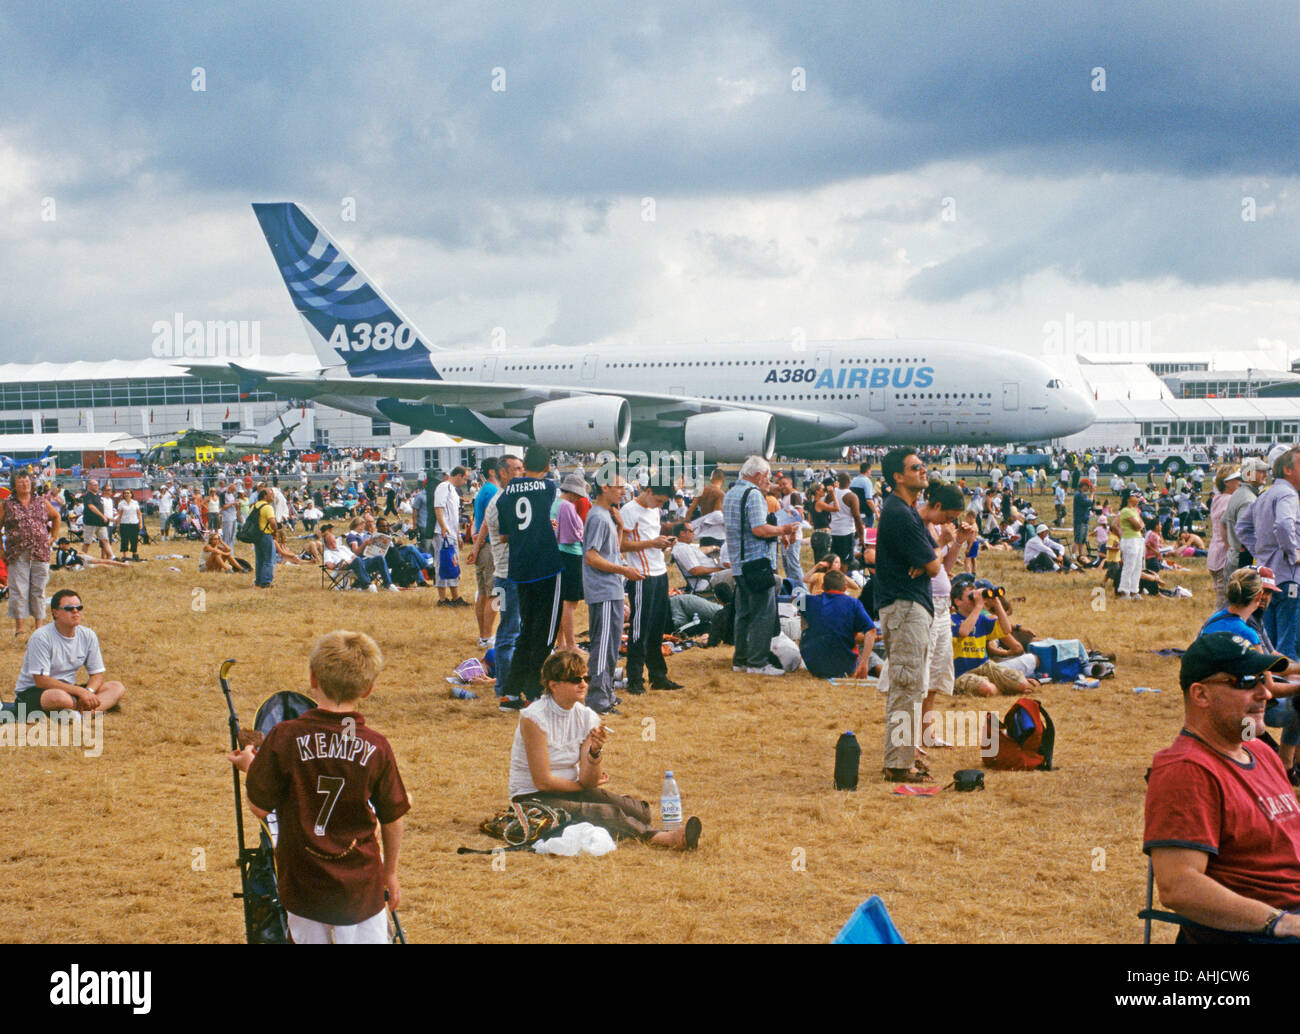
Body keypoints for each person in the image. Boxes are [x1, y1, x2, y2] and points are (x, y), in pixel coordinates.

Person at [228, 630, 410, 944]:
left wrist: (250, 767)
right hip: (361, 889)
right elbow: (392, 818)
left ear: (312, 678)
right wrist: (390, 873)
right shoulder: (377, 746)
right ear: (369, 689)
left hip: (304, 886)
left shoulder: (284, 737)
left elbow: (260, 806)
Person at [1143, 632, 1300, 943]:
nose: (1265, 693)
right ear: (1200, 695)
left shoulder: (1260, 752)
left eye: (1263, 679)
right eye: (1245, 681)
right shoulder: (1187, 770)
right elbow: (1179, 887)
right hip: (1262, 933)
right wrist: (1280, 923)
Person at [506, 650, 701, 849]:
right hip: (532, 797)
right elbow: (543, 782)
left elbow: (589, 781)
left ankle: (630, 823)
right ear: (553, 685)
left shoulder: (586, 716)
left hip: (570, 790)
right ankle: (665, 839)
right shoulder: (534, 718)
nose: (583, 684)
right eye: (575, 679)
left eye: (585, 678)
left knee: (641, 812)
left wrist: (594, 754)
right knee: (605, 814)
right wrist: (582, 787)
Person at [874, 447, 940, 781]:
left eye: (923, 466)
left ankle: (905, 757)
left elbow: (929, 563)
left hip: (911, 608)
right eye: (916, 467)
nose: (923, 471)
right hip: (905, 608)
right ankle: (898, 765)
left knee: (912, 685)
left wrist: (929, 560)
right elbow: (932, 565)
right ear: (898, 476)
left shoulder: (908, 511)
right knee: (906, 685)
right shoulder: (900, 513)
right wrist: (932, 558)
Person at [497, 446, 564, 707]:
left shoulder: (504, 496)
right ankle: (534, 688)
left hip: (520, 567)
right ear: (546, 467)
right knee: (545, 633)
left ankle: (511, 691)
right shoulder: (548, 487)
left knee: (526, 631)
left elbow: (505, 536)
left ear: (524, 464)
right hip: (546, 564)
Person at [723, 456, 798, 676]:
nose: (769, 481)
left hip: (739, 564)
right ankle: (757, 663)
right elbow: (759, 529)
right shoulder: (754, 494)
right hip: (757, 563)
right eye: (767, 476)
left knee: (744, 613)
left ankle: (741, 660)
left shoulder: (731, 494)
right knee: (763, 614)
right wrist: (783, 531)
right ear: (758, 475)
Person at [583, 475, 644, 715]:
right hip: (603, 590)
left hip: (612, 588)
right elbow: (592, 557)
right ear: (605, 487)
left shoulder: (606, 515)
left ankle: (606, 691)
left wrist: (619, 527)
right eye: (618, 487)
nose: (623, 491)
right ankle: (598, 698)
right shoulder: (597, 517)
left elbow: (612, 551)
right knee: (603, 644)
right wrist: (624, 570)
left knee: (611, 644)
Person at [12, 589, 126, 714]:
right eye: (69, 608)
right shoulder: (41, 637)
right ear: (55, 613)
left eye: (79, 607)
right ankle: (89, 709)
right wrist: (80, 692)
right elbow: (41, 680)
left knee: (117, 687)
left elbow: (97, 675)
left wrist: (89, 692)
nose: (75, 611)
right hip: (35, 691)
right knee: (61, 698)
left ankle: (83, 713)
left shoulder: (88, 635)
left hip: (70, 690)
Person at [621, 483, 681, 694]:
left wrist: (663, 544)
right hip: (641, 574)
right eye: (658, 500)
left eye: (663, 503)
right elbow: (621, 544)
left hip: (659, 571)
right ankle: (635, 678)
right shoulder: (629, 510)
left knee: (657, 626)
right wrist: (650, 543)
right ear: (647, 492)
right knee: (639, 627)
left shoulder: (654, 510)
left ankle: (658, 675)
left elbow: (650, 540)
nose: (659, 505)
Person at [1249, 446, 1300, 660]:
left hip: (1268, 577)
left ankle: (1273, 685)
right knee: (1289, 643)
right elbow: (1283, 525)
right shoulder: (1287, 494)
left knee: (1269, 642)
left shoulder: (1265, 495)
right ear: (1288, 469)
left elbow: (1243, 528)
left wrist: (1262, 552)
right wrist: (1293, 552)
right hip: (1288, 577)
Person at [0, 468, 61, 639]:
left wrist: (53, 537)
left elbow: (56, 517)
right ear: (14, 485)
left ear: (31, 483)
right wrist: (1, 550)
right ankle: (20, 628)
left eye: (27, 481)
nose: (24, 484)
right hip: (16, 552)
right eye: (20, 482)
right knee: (19, 589)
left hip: (40, 551)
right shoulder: (7, 504)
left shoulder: (41, 501)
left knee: (38, 589)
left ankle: (39, 627)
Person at [799, 570, 877, 679]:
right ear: (845, 588)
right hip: (845, 666)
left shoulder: (807, 600)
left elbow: (793, 601)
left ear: (823, 586)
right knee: (874, 658)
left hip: (814, 665)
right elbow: (871, 631)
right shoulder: (854, 604)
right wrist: (864, 662)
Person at [555, 472, 588, 654]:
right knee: (570, 602)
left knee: (561, 601)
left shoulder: (555, 504)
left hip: (559, 554)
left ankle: (562, 643)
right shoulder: (567, 506)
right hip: (571, 554)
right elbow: (572, 535)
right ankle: (571, 644)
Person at [470, 459, 502, 647]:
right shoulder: (492, 491)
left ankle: (484, 635)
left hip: (483, 546)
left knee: (483, 592)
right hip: (490, 546)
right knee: (494, 594)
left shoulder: (484, 489)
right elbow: (491, 520)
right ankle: (488, 636)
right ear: (492, 471)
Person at [1206, 466, 1241, 612]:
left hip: (1215, 554)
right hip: (1224, 556)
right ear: (1227, 482)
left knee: (1222, 599)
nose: (1240, 481)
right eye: (1236, 479)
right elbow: (1225, 526)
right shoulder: (1229, 500)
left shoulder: (1218, 499)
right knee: (1225, 603)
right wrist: (1231, 550)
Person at [432, 467, 468, 606]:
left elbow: (454, 516)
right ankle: (442, 598)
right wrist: (443, 526)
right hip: (443, 533)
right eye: (465, 478)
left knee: (453, 564)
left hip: (452, 533)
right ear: (458, 475)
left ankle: (455, 596)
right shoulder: (444, 486)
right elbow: (438, 507)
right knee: (443, 563)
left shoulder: (453, 490)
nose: (465, 482)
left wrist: (458, 534)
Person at [1225, 457, 1267, 569]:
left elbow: (1223, 523)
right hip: (1242, 562)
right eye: (1261, 471)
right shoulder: (1249, 499)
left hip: (1234, 558)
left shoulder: (1239, 493)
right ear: (1249, 474)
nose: (1266, 475)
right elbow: (1245, 533)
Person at [670, 521, 726, 592]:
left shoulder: (685, 546)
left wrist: (714, 547)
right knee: (735, 573)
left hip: (711, 577)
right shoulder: (683, 549)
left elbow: (701, 550)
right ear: (682, 533)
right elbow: (696, 570)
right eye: (691, 531)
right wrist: (720, 569)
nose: (694, 533)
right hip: (706, 582)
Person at [828, 473, 864, 569]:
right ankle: (841, 582)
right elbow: (857, 517)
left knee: (833, 561)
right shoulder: (851, 496)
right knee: (845, 563)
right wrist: (861, 535)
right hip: (846, 533)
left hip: (833, 530)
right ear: (849, 482)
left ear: (838, 482)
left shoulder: (831, 494)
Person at [1117, 488, 1146, 599]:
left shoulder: (1134, 510)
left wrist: (1139, 524)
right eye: (1135, 496)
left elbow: (1141, 524)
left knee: (1138, 566)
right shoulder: (1125, 511)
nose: (1138, 498)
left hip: (1138, 539)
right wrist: (1139, 524)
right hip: (1130, 540)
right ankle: (1124, 590)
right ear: (1129, 498)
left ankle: (1134, 590)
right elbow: (1138, 526)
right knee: (1129, 566)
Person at [80, 478, 114, 560]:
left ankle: (111, 557)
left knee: (105, 540)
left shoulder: (98, 496)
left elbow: (102, 508)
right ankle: (81, 559)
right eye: (94, 485)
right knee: (87, 542)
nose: (97, 486)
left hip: (101, 523)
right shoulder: (87, 496)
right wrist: (103, 516)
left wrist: (107, 517)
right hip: (90, 523)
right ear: (89, 486)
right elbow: (91, 507)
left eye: (97, 485)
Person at [251, 487, 278, 588]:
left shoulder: (255, 506)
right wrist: (275, 532)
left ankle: (258, 581)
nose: (273, 496)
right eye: (271, 494)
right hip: (266, 534)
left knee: (259, 559)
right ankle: (266, 582)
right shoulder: (267, 507)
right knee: (269, 559)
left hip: (256, 535)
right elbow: (272, 522)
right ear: (265, 496)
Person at [808, 480, 836, 563]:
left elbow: (811, 521)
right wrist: (833, 495)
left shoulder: (812, 504)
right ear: (817, 491)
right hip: (824, 535)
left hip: (815, 534)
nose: (824, 491)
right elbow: (837, 508)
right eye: (823, 489)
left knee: (818, 562)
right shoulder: (820, 504)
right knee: (825, 561)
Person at [115, 491, 142, 561]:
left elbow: (139, 514)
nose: (126, 494)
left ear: (131, 494)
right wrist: (117, 525)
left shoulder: (135, 502)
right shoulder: (121, 503)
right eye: (125, 493)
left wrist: (140, 523)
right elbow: (119, 515)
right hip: (124, 523)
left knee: (134, 540)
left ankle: (135, 554)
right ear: (123, 495)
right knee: (124, 540)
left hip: (134, 523)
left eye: (128, 493)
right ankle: (125, 556)